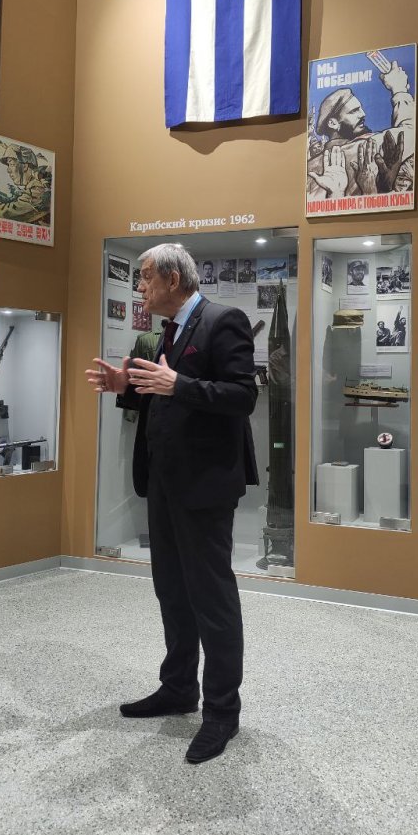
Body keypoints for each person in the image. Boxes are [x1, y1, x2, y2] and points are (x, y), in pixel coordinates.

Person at [86, 243, 258, 764]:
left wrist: (178, 383)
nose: (140, 287)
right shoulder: (168, 330)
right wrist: (127, 386)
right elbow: (165, 395)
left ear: (172, 279)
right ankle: (179, 687)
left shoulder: (224, 321)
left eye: (144, 278)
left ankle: (222, 712)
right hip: (164, 481)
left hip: (204, 486)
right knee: (172, 591)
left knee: (211, 598)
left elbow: (243, 396)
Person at [306, 60, 415, 200]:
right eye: (354, 111)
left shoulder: (310, 166)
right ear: (333, 123)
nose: (363, 114)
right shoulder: (366, 147)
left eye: (360, 109)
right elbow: (411, 133)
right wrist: (399, 89)